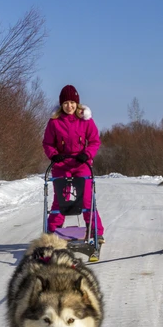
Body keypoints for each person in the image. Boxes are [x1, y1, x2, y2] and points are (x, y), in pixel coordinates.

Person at [43, 84, 105, 242]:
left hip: (80, 163)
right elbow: (48, 143)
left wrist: (87, 154)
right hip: (61, 164)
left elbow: (94, 141)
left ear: (77, 103)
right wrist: (54, 155)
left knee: (86, 199)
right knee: (61, 199)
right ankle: (52, 232)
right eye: (65, 103)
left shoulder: (85, 120)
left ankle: (96, 232)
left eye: (71, 102)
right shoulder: (54, 122)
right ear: (61, 105)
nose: (69, 106)